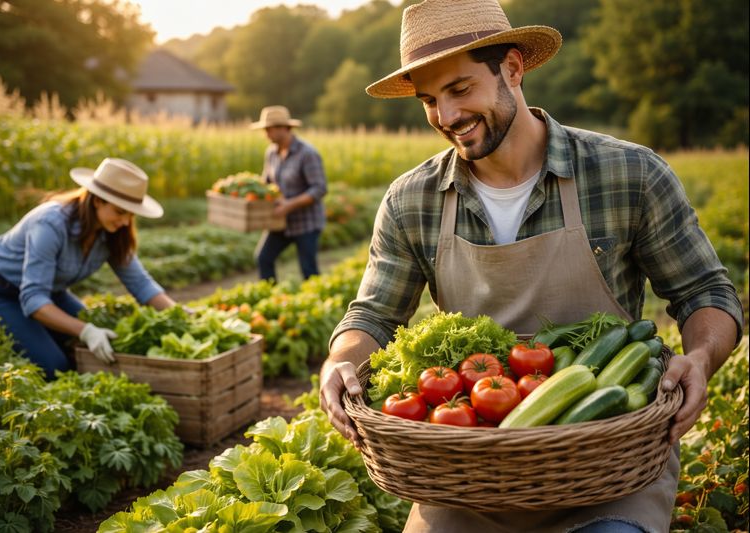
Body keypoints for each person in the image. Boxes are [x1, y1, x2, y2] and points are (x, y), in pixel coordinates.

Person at [318, 1, 743, 532]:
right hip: (464, 479)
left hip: (608, 473)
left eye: (459, 89)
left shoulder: (628, 173)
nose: (446, 118)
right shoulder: (413, 200)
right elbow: (373, 316)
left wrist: (700, 358)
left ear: (514, 69)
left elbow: (706, 292)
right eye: (429, 100)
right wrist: (341, 360)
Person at [0, 157, 180, 378]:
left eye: (131, 214)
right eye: (120, 212)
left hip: (50, 293)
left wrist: (183, 315)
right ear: (98, 200)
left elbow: (141, 283)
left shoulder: (113, 233)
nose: (126, 222)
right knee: (56, 367)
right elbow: (34, 299)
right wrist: (85, 331)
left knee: (107, 345)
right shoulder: (50, 224)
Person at [250, 105, 327, 282]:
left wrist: (289, 205)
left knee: (308, 270)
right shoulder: (271, 153)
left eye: (269, 129)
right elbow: (267, 183)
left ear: (284, 128)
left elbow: (319, 188)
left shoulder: (307, 153)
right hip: (280, 222)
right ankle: (271, 301)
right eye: (265, 130)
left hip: (306, 223)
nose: (266, 134)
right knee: (263, 258)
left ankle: (315, 304)